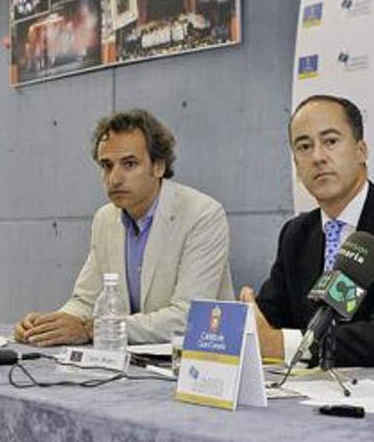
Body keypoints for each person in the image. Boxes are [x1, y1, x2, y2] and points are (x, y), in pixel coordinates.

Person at [240, 95, 374, 372]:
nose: (317, 157)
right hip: (311, 397)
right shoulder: (296, 234)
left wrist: (284, 345)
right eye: (304, 146)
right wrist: (250, 321)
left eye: (330, 141)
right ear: (295, 164)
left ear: (361, 150)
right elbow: (271, 318)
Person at [15, 109, 233, 346]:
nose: (114, 179)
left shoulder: (203, 214)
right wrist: (46, 327)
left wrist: (93, 329)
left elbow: (188, 317)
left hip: (193, 363)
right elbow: (86, 301)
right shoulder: (104, 219)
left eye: (129, 164)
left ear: (159, 166)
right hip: (129, 362)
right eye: (107, 166)